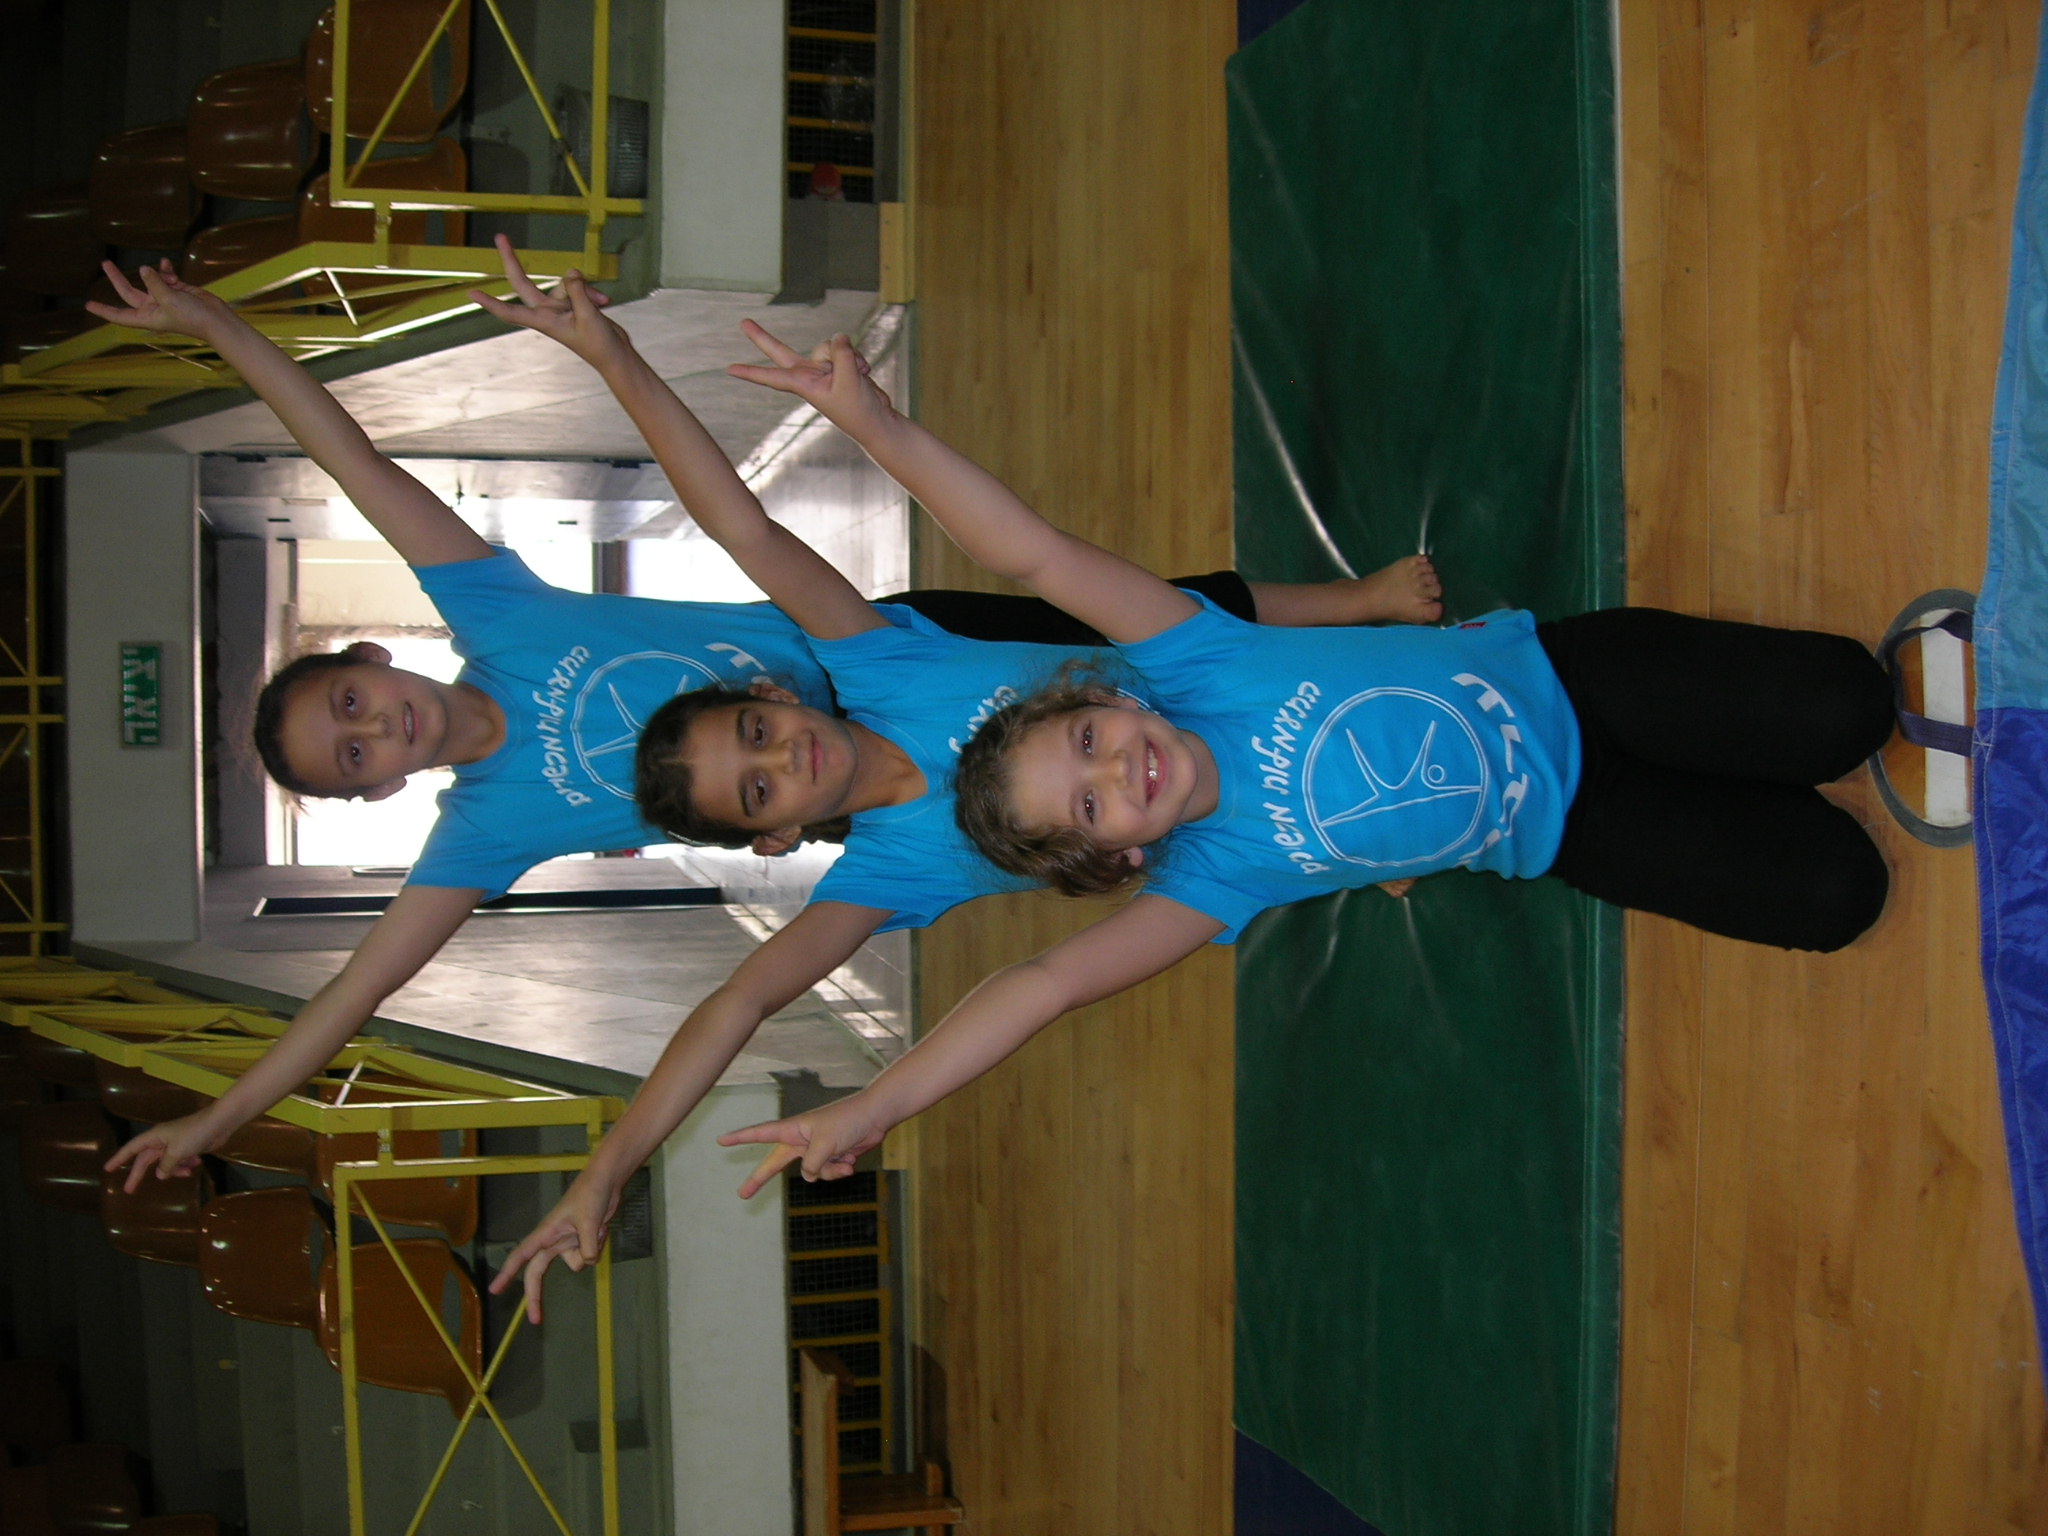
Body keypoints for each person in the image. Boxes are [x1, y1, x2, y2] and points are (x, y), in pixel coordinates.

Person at [84, 252, 1432, 1269]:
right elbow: (375, 994)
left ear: (375, 660)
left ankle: (1354, 613)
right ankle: (1342, 837)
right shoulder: (492, 835)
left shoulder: (506, 617)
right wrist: (234, 1122)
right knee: (1141, 819)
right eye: (354, 758)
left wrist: (226, 328)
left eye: (354, 705)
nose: (377, 732)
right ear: (376, 794)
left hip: (869, 652)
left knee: (1158, 627)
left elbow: (379, 463)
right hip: (910, 746)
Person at [704, 327, 1896, 1202]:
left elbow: (1030, 555)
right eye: (1091, 807)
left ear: (1106, 697)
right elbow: (1038, 987)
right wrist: (878, 1103)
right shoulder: (1210, 878)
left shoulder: (1192, 659)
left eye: (1088, 742)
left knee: (1846, 706)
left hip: (1576, 679)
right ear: (1119, 857)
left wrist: (877, 426)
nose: (1120, 773)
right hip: (1573, 829)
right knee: (1834, 895)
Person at [471, 246, 1441, 1319]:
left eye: (755, 731)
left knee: (1205, 608)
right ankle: (1367, 846)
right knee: (1274, 837)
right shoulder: (880, 879)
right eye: (757, 793)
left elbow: (739, 526)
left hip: (1174, 689)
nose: (782, 758)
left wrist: (614, 357)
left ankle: (1359, 606)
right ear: (774, 841)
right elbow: (738, 1000)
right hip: (1183, 811)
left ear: (773, 693)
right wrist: (610, 1165)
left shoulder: (870, 657)